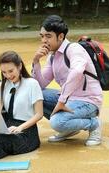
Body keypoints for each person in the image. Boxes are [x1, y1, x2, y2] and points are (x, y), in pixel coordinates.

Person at [32, 15, 103, 146]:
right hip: (70, 99)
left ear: (60, 36)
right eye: (42, 36)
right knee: (34, 94)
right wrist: (36, 61)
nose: (43, 40)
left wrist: (62, 100)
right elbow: (40, 84)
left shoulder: (74, 49)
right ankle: (70, 129)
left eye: (48, 36)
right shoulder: (52, 56)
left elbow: (76, 72)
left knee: (57, 122)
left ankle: (94, 124)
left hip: (88, 101)